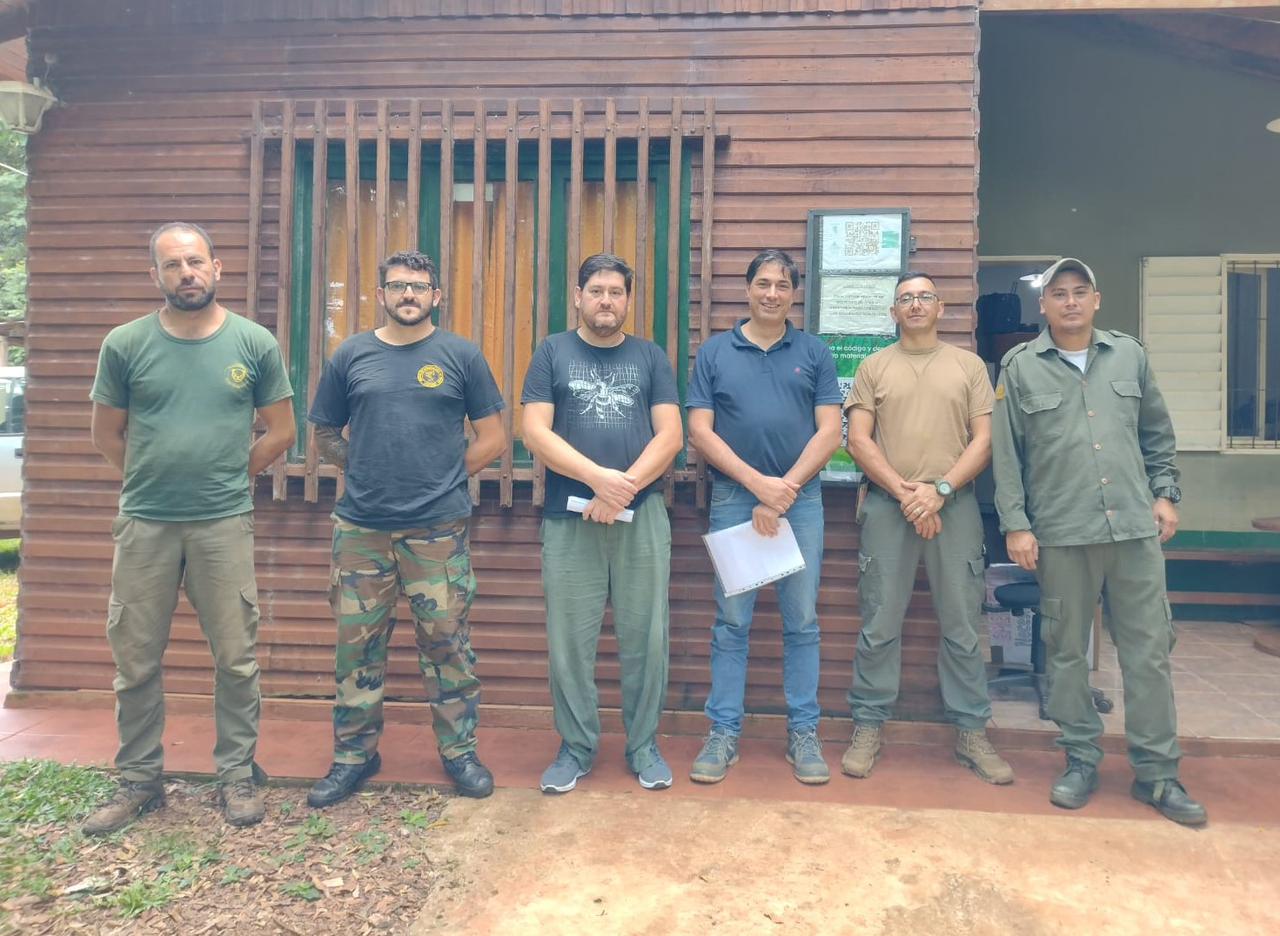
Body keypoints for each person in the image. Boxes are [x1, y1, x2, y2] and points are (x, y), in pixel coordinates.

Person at [84, 222, 296, 833]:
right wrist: (151, 478)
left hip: (222, 524)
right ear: (155, 275)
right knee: (136, 661)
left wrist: (230, 475)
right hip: (146, 525)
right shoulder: (125, 344)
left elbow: (281, 432)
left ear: (217, 267)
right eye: (173, 265)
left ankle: (236, 776)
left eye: (195, 261)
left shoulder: (253, 343)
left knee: (235, 659)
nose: (186, 273)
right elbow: (106, 434)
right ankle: (140, 781)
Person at [992, 257, 1206, 825]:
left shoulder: (1129, 355)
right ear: (1044, 305)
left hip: (1134, 529)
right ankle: (1080, 758)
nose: (1068, 302)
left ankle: (1158, 774)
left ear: (1096, 299)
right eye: (1057, 294)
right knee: (1066, 653)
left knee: (1149, 652)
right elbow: (1007, 456)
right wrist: (1016, 524)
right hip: (1062, 533)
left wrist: (1165, 493)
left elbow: (1157, 431)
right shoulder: (1019, 367)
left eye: (1078, 292)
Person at [306, 250, 506, 805]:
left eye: (418, 286)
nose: (408, 295)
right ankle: (353, 755)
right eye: (397, 286)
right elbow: (323, 432)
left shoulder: (460, 355)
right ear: (382, 294)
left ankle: (460, 753)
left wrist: (440, 478)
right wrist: (367, 470)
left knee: (446, 643)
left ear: (436, 295)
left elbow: (493, 438)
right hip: (361, 530)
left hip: (437, 532)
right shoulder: (352, 354)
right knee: (356, 648)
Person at [841, 272, 1013, 785]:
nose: (915, 305)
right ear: (893, 313)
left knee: (961, 626)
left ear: (941, 308)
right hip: (889, 509)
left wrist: (937, 491)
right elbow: (859, 441)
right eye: (905, 299)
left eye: (924, 297)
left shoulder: (968, 367)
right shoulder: (872, 367)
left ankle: (971, 731)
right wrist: (905, 493)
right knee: (879, 624)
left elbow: (985, 440)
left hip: (954, 508)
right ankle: (868, 725)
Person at [521, 253, 683, 793]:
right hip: (569, 521)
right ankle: (576, 745)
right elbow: (534, 432)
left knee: (646, 636)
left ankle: (643, 744)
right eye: (596, 291)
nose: (606, 300)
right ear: (578, 296)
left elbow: (671, 436)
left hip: (643, 517)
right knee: (569, 640)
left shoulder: (650, 356)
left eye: (616, 291)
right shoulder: (552, 351)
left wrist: (624, 488)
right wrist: (599, 481)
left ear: (628, 300)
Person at [686, 248, 843, 785]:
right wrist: (758, 486)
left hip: (803, 505)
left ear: (794, 293)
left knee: (802, 623)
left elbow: (831, 430)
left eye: (782, 285)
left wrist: (786, 489)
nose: (772, 293)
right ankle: (724, 733)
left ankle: (804, 732)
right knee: (733, 624)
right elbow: (700, 431)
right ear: (747, 288)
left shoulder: (815, 352)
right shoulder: (715, 353)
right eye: (763, 283)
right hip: (735, 501)